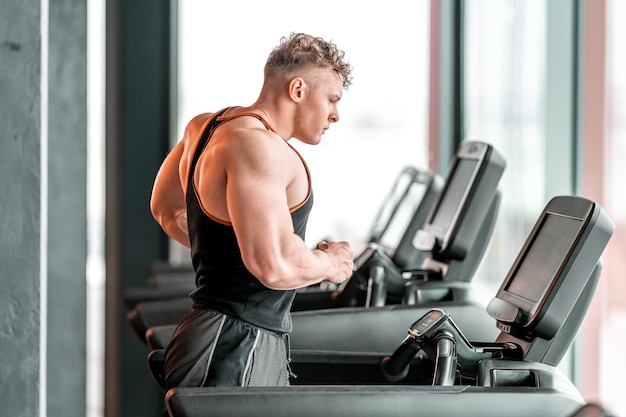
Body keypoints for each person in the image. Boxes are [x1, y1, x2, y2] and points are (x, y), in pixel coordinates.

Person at [150, 32, 355, 390]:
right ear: (298, 90)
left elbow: (166, 210)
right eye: (332, 100)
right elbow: (273, 266)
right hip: (237, 343)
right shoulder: (259, 147)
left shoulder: (205, 127)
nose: (335, 115)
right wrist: (331, 265)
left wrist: (240, 248)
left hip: (208, 334)